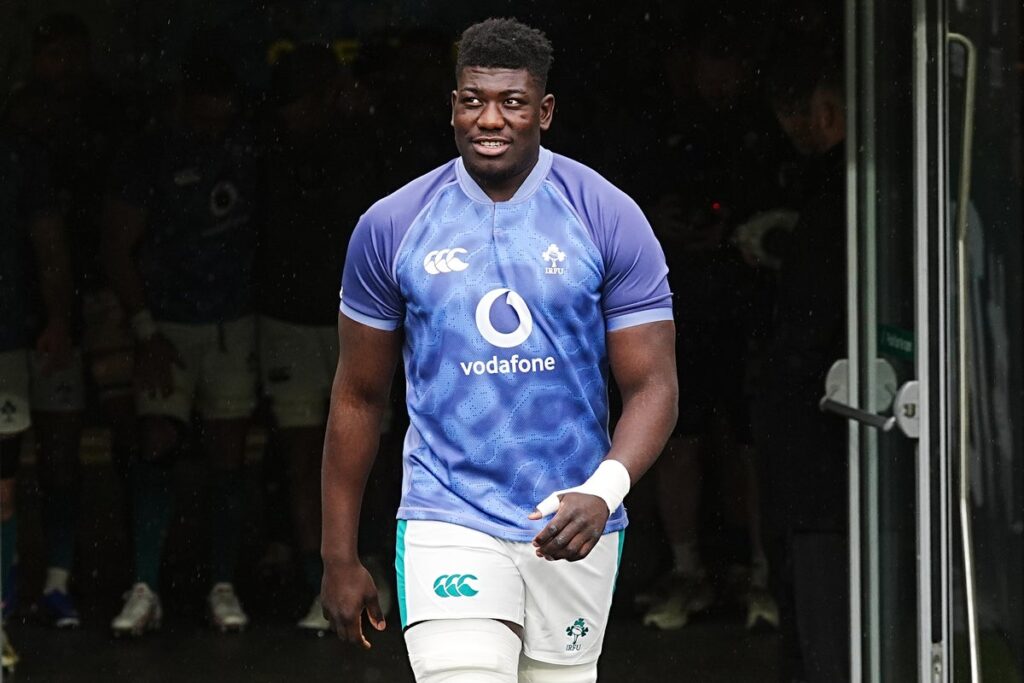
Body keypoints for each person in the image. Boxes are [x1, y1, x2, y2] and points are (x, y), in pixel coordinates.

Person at [321, 17, 678, 683]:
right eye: (472, 99)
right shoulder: (392, 225)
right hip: (446, 513)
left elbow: (654, 385)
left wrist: (602, 490)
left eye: (511, 102)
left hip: (574, 526)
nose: (490, 118)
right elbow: (359, 394)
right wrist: (337, 552)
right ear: (452, 105)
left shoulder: (607, 216)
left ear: (544, 111)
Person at [101, 51, 261, 635]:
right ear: (186, 100)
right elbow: (117, 243)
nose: (216, 123)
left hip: (233, 324)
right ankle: (145, 586)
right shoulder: (151, 153)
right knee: (156, 443)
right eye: (206, 111)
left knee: (228, 453)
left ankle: (223, 585)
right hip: (165, 326)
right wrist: (144, 332)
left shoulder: (247, 147)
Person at [257, 43, 387, 631]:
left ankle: (378, 569)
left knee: (375, 451)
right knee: (303, 451)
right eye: (299, 102)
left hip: (364, 321)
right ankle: (327, 578)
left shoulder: (369, 144)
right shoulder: (267, 146)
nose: (304, 112)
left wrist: (361, 123)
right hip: (287, 316)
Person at [736, 38, 848, 683]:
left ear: (826, 112)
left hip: (821, 435)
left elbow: (805, 331)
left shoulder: (841, 195)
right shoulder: (852, 190)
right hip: (828, 433)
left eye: (795, 113)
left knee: (817, 606)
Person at [0, 125, 74, 671]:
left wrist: (55, 316)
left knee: (1, 492)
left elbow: (48, 242)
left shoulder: (16, 155)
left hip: (4, 342)